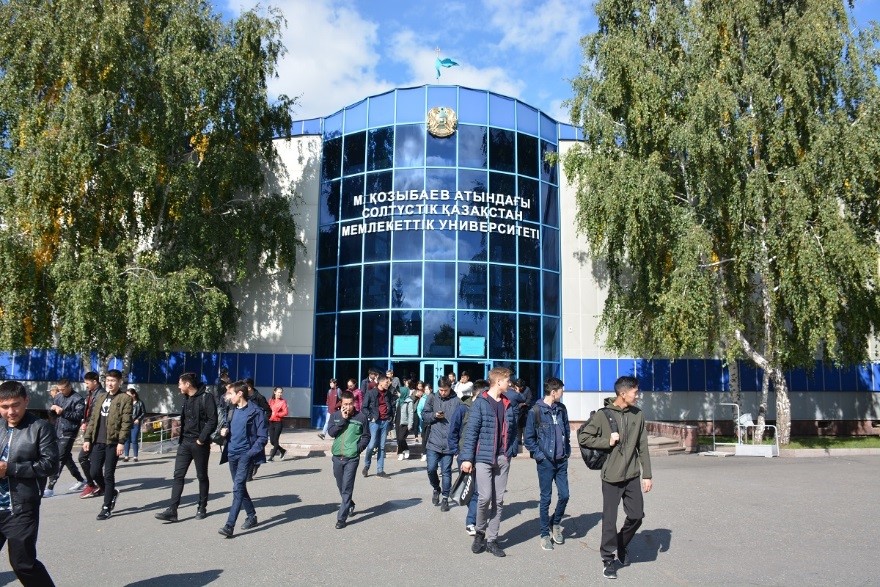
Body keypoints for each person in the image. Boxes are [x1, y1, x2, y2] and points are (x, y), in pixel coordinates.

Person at [577, 375, 653, 580]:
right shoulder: (603, 415)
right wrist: (607, 441)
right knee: (609, 520)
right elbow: (583, 437)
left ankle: (621, 543)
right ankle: (608, 559)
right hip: (611, 476)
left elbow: (643, 446)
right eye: (635, 392)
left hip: (632, 474)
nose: (638, 395)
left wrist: (647, 474)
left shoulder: (638, 414)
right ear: (623, 393)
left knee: (636, 516)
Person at [0, 380, 58, 586]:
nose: (11, 412)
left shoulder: (40, 428)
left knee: (23, 563)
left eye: (15, 405)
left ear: (26, 401)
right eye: (4, 406)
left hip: (20, 508)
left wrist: (10, 468)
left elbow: (50, 465)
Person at [460, 366, 518, 557]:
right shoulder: (481, 403)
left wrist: (510, 452)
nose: (510, 383)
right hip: (483, 457)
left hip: (502, 458)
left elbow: (513, 430)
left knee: (498, 501)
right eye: (507, 380)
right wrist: (467, 458)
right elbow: (471, 432)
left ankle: (492, 540)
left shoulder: (508, 403)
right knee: (484, 497)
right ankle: (480, 533)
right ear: (498, 381)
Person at [154, 373, 218, 523]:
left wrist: (201, 439)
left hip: (199, 444)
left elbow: (212, 420)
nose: (179, 387)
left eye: (180, 384)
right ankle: (172, 510)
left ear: (188, 384)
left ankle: (202, 507)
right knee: (178, 475)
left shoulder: (206, 397)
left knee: (201, 476)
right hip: (184, 443)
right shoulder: (186, 398)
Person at [524, 377, 571, 551]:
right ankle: (544, 534)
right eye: (561, 391)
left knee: (565, 495)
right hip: (546, 462)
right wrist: (540, 456)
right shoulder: (535, 411)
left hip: (561, 460)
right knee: (546, 499)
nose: (562, 394)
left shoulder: (561, 409)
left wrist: (566, 451)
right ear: (553, 392)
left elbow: (566, 430)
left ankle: (555, 523)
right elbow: (529, 439)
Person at [218, 380, 268, 538]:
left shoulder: (256, 412)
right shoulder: (231, 409)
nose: (228, 396)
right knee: (239, 487)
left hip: (246, 455)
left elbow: (262, 437)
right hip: (231, 454)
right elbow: (228, 426)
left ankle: (229, 525)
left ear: (240, 394)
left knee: (237, 487)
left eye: (230, 393)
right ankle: (251, 516)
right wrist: (224, 431)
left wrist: (249, 454)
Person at [82, 369, 132, 520]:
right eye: (108, 380)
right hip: (98, 440)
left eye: (113, 381)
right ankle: (111, 492)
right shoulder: (101, 397)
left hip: (113, 442)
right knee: (94, 472)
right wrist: (87, 438)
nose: (110, 383)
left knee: (109, 474)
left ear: (120, 382)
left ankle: (106, 506)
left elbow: (126, 422)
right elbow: (93, 419)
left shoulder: (125, 398)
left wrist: (121, 442)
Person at [449, 378, 488, 536]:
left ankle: (471, 521)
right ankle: (473, 515)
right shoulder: (463, 408)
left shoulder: (487, 408)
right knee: (468, 488)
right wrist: (456, 451)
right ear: (478, 394)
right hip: (464, 454)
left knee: (477, 490)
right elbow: (453, 431)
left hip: (482, 455)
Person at [327, 390, 370, 529]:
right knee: (340, 485)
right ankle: (349, 503)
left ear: (354, 403)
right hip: (337, 457)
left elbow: (366, 436)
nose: (348, 406)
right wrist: (343, 420)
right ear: (341, 403)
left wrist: (358, 449)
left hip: (352, 458)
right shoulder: (335, 416)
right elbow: (331, 432)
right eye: (345, 404)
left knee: (347, 487)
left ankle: (341, 518)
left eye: (350, 404)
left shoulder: (361, 417)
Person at [421, 379, 462, 512]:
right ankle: (436, 488)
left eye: (445, 390)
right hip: (434, 441)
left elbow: (461, 422)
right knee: (431, 469)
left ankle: (445, 498)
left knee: (446, 472)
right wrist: (434, 415)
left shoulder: (457, 401)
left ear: (450, 388)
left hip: (449, 443)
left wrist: (458, 443)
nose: (443, 393)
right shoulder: (432, 398)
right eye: (441, 390)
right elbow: (424, 415)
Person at [44, 379, 85, 497]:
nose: (61, 391)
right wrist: (52, 410)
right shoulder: (58, 397)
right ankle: (80, 479)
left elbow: (79, 415)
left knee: (60, 457)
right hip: (57, 429)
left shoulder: (77, 398)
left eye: (63, 389)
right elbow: (53, 414)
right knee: (66, 457)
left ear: (69, 387)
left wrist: (63, 412)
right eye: (59, 389)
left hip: (69, 431)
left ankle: (50, 487)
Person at [361, 374, 394, 478]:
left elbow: (391, 406)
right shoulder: (371, 393)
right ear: (380, 382)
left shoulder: (388, 393)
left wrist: (390, 417)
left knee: (382, 447)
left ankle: (380, 470)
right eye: (386, 382)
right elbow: (364, 407)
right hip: (374, 422)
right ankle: (366, 466)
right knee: (371, 445)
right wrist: (371, 417)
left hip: (385, 422)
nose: (388, 384)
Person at [77, 371, 103, 498]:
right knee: (86, 458)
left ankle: (94, 484)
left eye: (87, 383)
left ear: (95, 381)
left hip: (96, 431)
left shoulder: (101, 394)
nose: (86, 385)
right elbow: (87, 411)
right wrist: (84, 422)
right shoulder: (90, 393)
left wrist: (89, 425)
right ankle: (95, 484)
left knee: (84, 457)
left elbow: (96, 414)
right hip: (89, 429)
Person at [244, 379, 271, 480]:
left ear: (249, 387)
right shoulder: (244, 398)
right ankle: (253, 465)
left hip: (257, 427)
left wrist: (262, 422)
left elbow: (268, 411)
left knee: (255, 447)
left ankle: (250, 473)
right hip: (246, 426)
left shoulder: (259, 397)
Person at [123, 388, 145, 462]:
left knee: (134, 439)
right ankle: (126, 456)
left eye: (129, 395)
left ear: (134, 394)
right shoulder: (126, 403)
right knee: (126, 440)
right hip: (127, 423)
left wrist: (138, 419)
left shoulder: (140, 403)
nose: (127, 396)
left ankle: (135, 456)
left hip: (135, 423)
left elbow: (143, 412)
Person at [267, 387, 288, 461]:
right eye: (278, 392)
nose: (280, 394)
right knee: (272, 441)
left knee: (275, 440)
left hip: (278, 422)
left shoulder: (283, 402)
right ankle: (283, 451)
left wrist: (277, 414)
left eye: (281, 392)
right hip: (271, 422)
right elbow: (268, 410)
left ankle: (271, 457)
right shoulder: (270, 400)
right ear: (274, 392)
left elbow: (285, 412)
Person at [396, 385, 413, 460]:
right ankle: (400, 453)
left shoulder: (409, 401)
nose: (398, 394)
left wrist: (410, 424)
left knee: (401, 438)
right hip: (397, 421)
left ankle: (406, 449)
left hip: (404, 422)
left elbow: (410, 413)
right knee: (398, 439)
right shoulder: (398, 400)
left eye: (399, 392)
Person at [417, 382, 432, 461]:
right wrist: (422, 418)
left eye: (427, 389)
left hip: (432, 421)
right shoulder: (422, 399)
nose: (426, 391)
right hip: (424, 421)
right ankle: (424, 453)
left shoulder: (434, 398)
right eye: (425, 389)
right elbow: (419, 410)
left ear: (431, 390)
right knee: (424, 438)